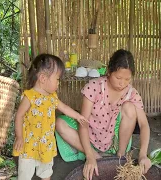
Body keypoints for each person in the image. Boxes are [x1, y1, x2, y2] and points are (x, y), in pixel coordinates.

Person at [55, 49, 152, 180]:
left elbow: (144, 124)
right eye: (118, 78)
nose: (122, 83)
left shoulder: (131, 93)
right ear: (109, 71)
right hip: (88, 135)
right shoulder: (94, 87)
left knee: (129, 107)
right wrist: (89, 156)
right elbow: (82, 123)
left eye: (127, 79)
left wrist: (143, 154)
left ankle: (120, 157)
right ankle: (95, 156)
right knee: (59, 123)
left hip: (113, 138)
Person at [13, 54, 88, 180]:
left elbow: (64, 108)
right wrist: (19, 137)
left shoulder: (52, 96)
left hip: (46, 144)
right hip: (28, 145)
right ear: (43, 78)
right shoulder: (29, 96)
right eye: (57, 79)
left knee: (46, 172)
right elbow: (19, 116)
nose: (59, 83)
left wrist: (78, 116)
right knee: (25, 175)